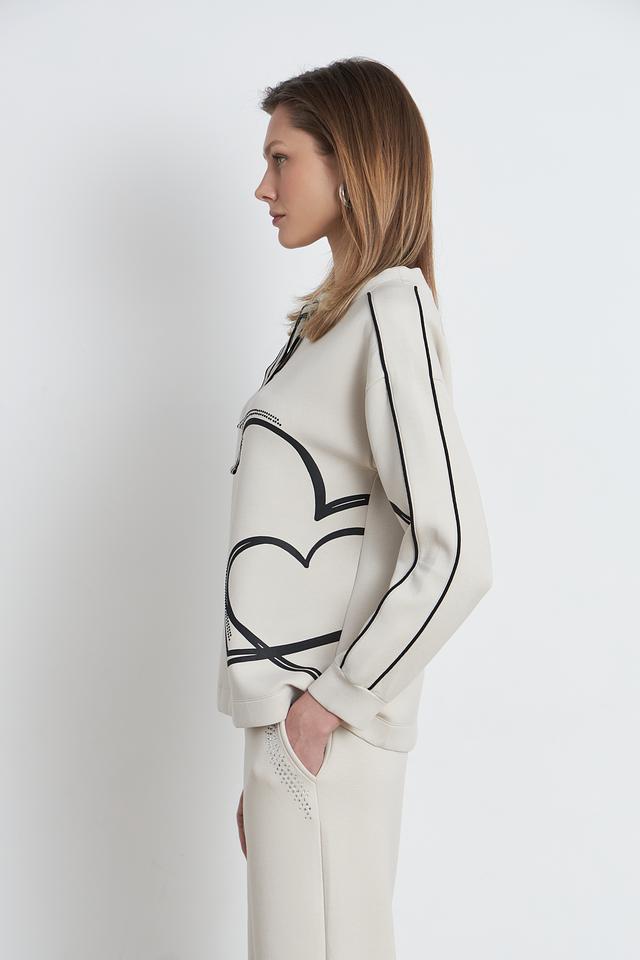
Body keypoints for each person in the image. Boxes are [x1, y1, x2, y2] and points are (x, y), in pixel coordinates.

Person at [217, 56, 493, 960]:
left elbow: (456, 554)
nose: (263, 188)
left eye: (281, 159)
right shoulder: (324, 327)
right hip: (292, 728)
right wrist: (275, 737)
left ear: (351, 163)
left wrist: (324, 710)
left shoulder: (391, 310)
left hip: (324, 730)